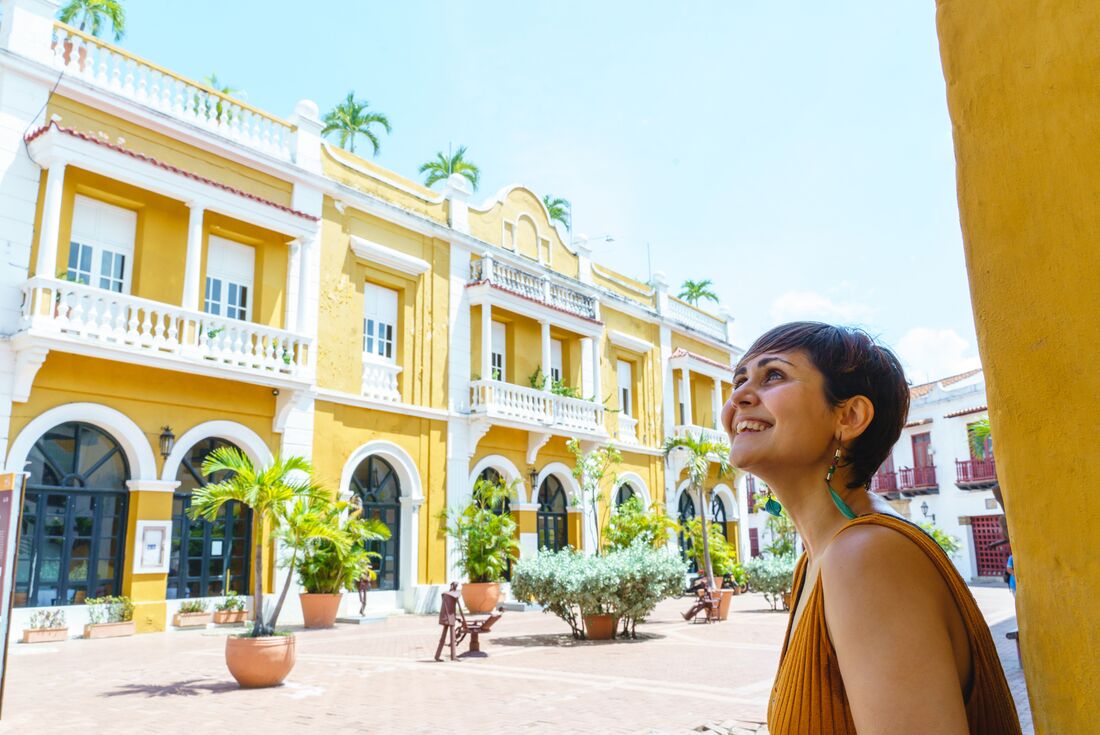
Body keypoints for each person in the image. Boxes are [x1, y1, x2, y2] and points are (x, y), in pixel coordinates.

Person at [722, 322, 1020, 734]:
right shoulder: (819, 559)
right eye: (739, 380)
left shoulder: (867, 556)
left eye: (773, 375)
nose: (738, 396)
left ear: (849, 416)